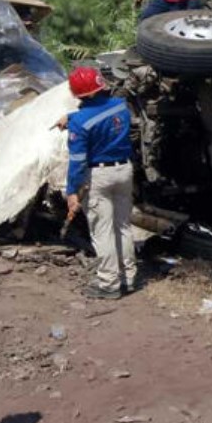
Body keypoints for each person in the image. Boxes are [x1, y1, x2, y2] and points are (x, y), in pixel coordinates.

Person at [59, 67, 137, 300]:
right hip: (124, 171)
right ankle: (128, 278)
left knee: (102, 232)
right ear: (101, 85)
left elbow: (77, 162)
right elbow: (100, 113)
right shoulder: (121, 106)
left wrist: (72, 191)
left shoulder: (81, 123)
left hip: (99, 177)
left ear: (79, 94)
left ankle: (108, 284)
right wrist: (71, 117)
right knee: (122, 226)